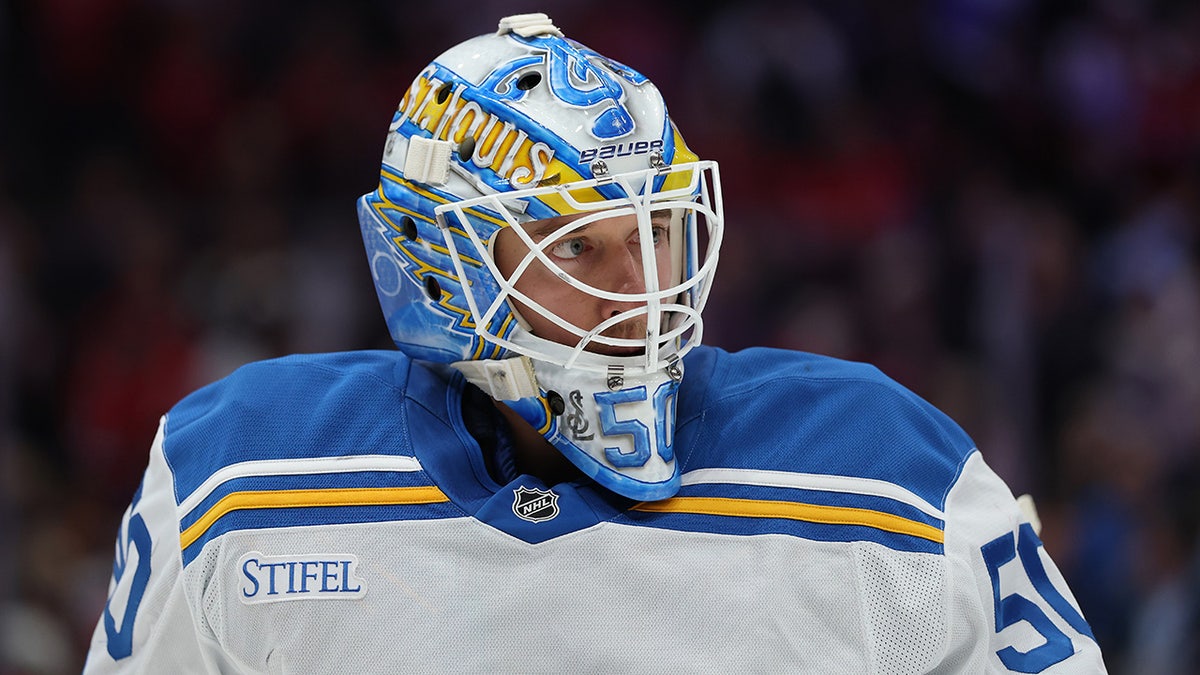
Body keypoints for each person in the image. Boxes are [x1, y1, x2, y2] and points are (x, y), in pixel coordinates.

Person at [84, 12, 1107, 673]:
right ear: (445, 266)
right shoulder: (234, 476)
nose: (643, 286)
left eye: (655, 231)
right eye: (581, 247)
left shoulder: (888, 471)